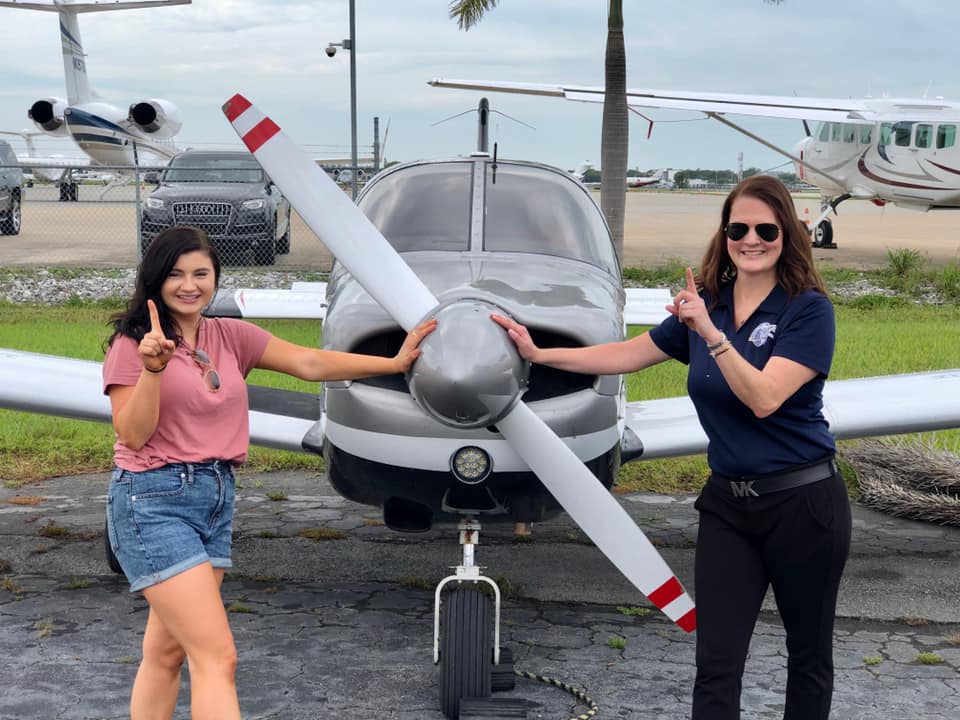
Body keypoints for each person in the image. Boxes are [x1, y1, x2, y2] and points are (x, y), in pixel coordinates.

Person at [492, 174, 850, 720]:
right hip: (729, 507)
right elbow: (627, 354)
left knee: (807, 657)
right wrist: (539, 354)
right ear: (724, 234)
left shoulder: (807, 311)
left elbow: (764, 398)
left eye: (765, 229)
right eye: (738, 228)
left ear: (787, 235)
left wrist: (709, 332)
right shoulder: (711, 303)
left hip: (803, 506)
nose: (750, 239)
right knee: (716, 663)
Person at [102, 225, 436, 720]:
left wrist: (394, 362)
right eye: (175, 275)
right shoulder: (135, 346)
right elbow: (132, 433)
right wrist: (152, 370)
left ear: (216, 277)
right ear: (155, 281)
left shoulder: (229, 336)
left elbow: (307, 361)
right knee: (218, 656)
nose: (189, 285)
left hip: (214, 498)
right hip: (152, 500)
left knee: (167, 653)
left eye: (201, 273)